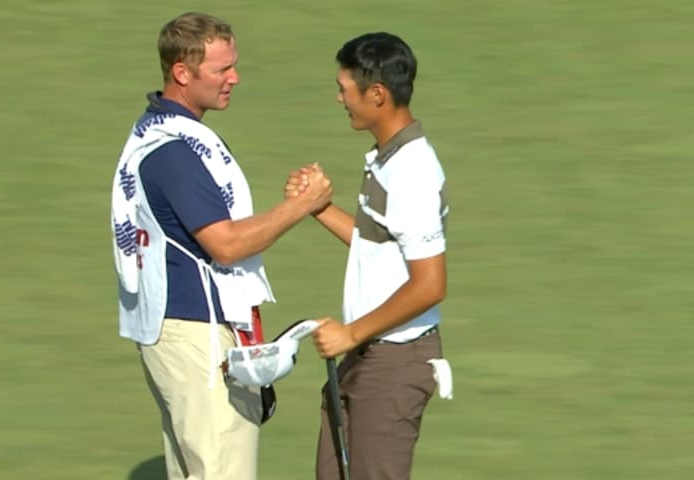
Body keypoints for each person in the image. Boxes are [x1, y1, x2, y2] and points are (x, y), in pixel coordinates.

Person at [110, 12, 331, 480]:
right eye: (221, 69)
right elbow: (226, 245)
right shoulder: (175, 153)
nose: (235, 78)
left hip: (177, 330)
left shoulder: (159, 132)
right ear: (182, 73)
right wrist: (303, 205)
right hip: (197, 336)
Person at [286, 32, 449, 480]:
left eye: (345, 88)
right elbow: (378, 244)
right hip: (369, 355)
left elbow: (430, 284)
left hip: (393, 361)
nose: (340, 98)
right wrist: (317, 208)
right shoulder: (387, 159)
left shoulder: (411, 170)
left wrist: (350, 333)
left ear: (376, 94)